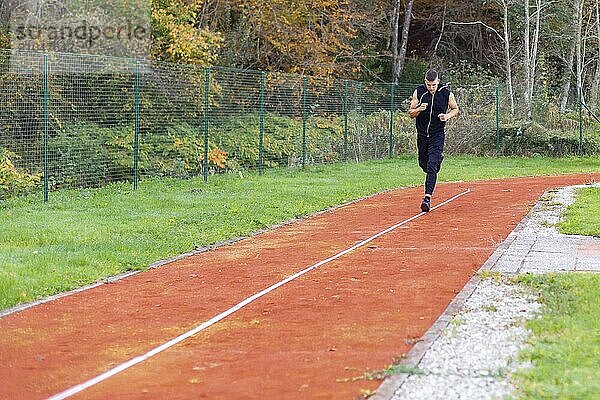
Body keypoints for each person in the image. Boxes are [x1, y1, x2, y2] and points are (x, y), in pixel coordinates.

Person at [408, 69, 459, 212]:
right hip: (423, 135)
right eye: (429, 85)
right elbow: (410, 113)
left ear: (438, 82)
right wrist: (419, 109)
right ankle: (435, 163)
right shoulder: (419, 92)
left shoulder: (446, 93)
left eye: (434, 85)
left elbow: (455, 109)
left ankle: (427, 198)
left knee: (432, 165)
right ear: (426, 82)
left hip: (437, 134)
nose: (432, 87)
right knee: (424, 164)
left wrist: (447, 116)